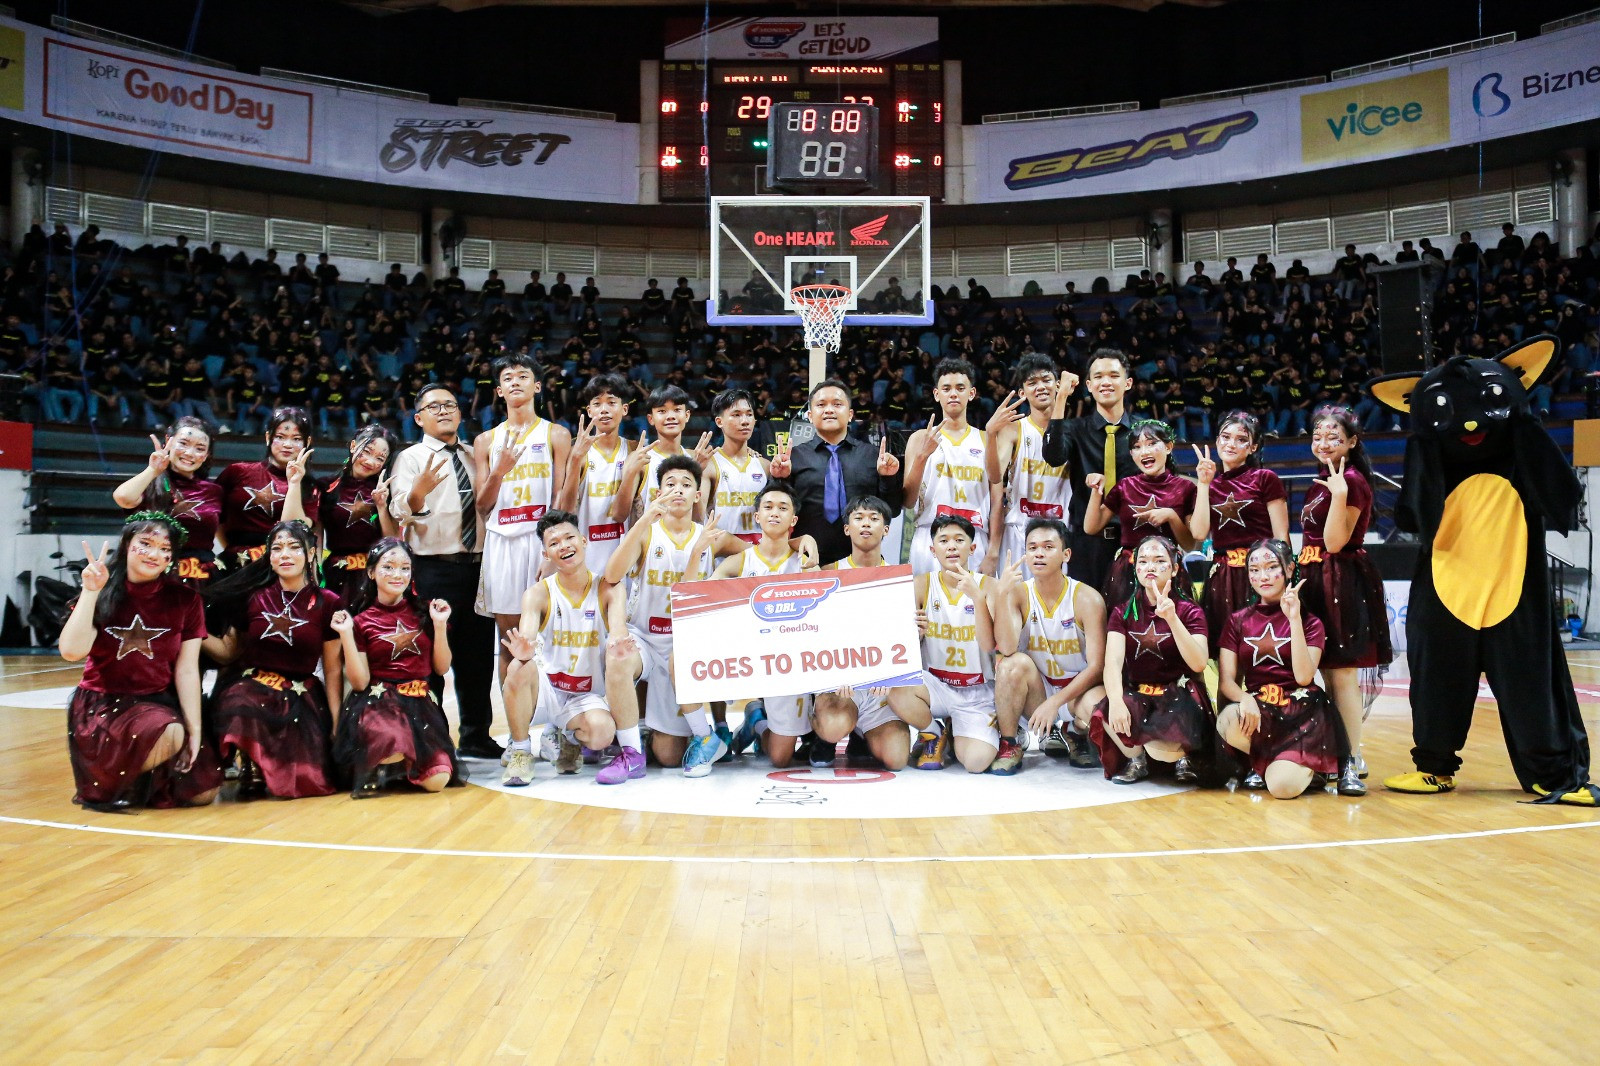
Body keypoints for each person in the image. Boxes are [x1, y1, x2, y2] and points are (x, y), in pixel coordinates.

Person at [57, 515, 224, 811]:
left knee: (203, 793)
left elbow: (187, 670)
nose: (155, 554)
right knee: (170, 732)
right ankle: (117, 784)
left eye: (164, 549)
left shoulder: (185, 599)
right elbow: (71, 651)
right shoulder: (103, 589)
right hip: (104, 706)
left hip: (159, 701)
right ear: (126, 546)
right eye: (145, 544)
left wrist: (195, 729)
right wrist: (91, 591)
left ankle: (138, 780)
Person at [602, 456, 748, 776]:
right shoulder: (646, 533)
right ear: (658, 493)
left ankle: (689, 736)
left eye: (686, 484)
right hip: (644, 636)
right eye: (670, 484)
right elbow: (612, 575)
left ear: (698, 495)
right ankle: (631, 751)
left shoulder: (713, 536)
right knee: (617, 660)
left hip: (684, 643)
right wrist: (642, 520)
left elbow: (761, 553)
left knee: (669, 757)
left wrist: (800, 540)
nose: (678, 490)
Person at [385, 383, 501, 760]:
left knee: (478, 656)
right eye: (433, 407)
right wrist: (418, 492)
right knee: (431, 657)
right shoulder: (411, 458)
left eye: (450, 404)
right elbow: (402, 510)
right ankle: (432, 738)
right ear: (418, 417)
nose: (444, 411)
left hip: (480, 566)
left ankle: (476, 735)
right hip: (433, 568)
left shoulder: (474, 454)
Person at [499, 510, 649, 787]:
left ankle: (566, 738)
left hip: (585, 694)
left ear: (584, 541)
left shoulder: (608, 588)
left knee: (603, 732)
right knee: (518, 668)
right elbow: (528, 641)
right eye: (554, 543)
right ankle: (521, 751)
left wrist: (618, 644)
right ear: (546, 555)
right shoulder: (538, 593)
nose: (564, 546)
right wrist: (523, 652)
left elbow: (618, 631)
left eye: (570, 538)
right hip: (548, 690)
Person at [203, 520, 342, 799]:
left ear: (311, 553)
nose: (285, 555)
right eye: (277, 549)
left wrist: (337, 723)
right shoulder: (251, 597)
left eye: (293, 548)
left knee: (309, 781)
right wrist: (193, 632)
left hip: (302, 694)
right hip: (253, 685)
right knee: (239, 700)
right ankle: (248, 766)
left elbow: (333, 668)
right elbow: (231, 651)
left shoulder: (329, 602)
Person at [1298, 406, 1391, 796]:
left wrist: (1338, 496)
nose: (1323, 443)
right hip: (1314, 576)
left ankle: (1353, 758)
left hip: (1338, 579)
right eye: (1318, 436)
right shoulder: (1327, 478)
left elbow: (1335, 542)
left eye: (1333, 437)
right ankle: (1341, 752)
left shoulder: (1350, 482)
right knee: (1325, 673)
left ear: (1352, 442)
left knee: (1342, 674)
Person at [329, 538, 465, 798]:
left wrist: (438, 625)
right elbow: (359, 683)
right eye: (388, 567)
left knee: (438, 781)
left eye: (405, 568)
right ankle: (382, 761)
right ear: (371, 572)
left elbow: (441, 667)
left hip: (419, 702)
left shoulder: (426, 612)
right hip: (379, 702)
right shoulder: (360, 620)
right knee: (393, 742)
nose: (397, 574)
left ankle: (399, 767)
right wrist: (346, 634)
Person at [474, 353, 572, 680]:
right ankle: (518, 729)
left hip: (540, 540)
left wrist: (552, 552)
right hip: (502, 542)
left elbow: (559, 500)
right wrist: (498, 473)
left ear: (537, 386)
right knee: (509, 640)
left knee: (552, 636)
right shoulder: (485, 441)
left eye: (522, 376)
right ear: (499, 390)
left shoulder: (556, 434)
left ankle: (552, 722)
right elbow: (482, 504)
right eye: (507, 378)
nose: (515, 382)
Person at [811, 496, 927, 770]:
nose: (866, 524)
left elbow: (905, 640)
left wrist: (917, 634)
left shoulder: (900, 579)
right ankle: (825, 735)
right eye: (859, 518)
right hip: (840, 684)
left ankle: (861, 734)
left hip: (881, 686)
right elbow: (815, 633)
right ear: (846, 528)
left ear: (886, 529)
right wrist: (834, 673)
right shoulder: (828, 573)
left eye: (874, 519)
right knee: (833, 725)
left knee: (897, 759)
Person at [1087, 536, 1213, 784]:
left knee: (1163, 751)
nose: (1151, 567)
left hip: (1178, 695)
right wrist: (1115, 700)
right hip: (1140, 696)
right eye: (1143, 562)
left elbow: (1199, 663)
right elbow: (1112, 663)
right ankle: (1137, 760)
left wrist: (1172, 619)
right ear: (1135, 569)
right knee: (1104, 708)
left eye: (1159, 561)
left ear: (1175, 568)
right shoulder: (1123, 611)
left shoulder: (1191, 611)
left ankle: (1181, 758)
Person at [1216, 540, 1337, 799]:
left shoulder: (1310, 622)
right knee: (1228, 719)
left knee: (1282, 789)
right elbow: (1226, 681)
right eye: (1255, 569)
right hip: (1262, 711)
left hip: (1301, 713)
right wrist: (1245, 697)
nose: (1263, 576)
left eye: (1272, 567)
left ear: (1290, 569)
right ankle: (1273, 762)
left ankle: (1299, 766)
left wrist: (1293, 618)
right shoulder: (1237, 621)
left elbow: (1304, 677)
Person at [990, 516, 1107, 773]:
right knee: (1011, 665)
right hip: (1038, 692)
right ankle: (1010, 742)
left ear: (1066, 554)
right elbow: (1007, 648)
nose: (1038, 554)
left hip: (1077, 692)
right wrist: (1001, 594)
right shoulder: (1019, 592)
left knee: (1100, 704)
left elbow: (1097, 667)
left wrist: (1055, 703)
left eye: (1047, 547)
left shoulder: (1088, 599)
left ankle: (1074, 732)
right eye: (1032, 548)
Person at [714, 482, 818, 769]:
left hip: (789, 664)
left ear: (793, 520)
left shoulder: (806, 562)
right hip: (749, 656)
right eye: (768, 507)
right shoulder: (737, 562)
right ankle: (720, 725)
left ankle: (756, 721)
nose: (775, 513)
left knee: (780, 759)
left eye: (783, 508)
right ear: (756, 517)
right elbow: (704, 598)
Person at [891, 514, 996, 772]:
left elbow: (990, 645)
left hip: (977, 690)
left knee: (975, 762)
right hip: (935, 685)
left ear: (972, 548)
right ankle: (933, 732)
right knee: (896, 687)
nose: (951, 546)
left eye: (959, 540)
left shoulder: (990, 586)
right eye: (944, 540)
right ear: (932, 549)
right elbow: (900, 650)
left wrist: (978, 600)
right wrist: (915, 636)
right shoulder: (920, 585)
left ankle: (960, 727)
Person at [768, 378, 905, 565]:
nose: (829, 410)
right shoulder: (793, 458)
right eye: (821, 405)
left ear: (850, 415)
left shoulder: (872, 456)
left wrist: (888, 478)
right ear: (809, 415)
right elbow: (775, 511)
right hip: (805, 561)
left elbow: (893, 510)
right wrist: (780, 480)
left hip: (860, 563)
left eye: (837, 404)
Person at [1042, 349, 1139, 595]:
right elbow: (1053, 456)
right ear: (1088, 385)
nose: (1105, 382)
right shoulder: (1076, 429)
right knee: (1086, 622)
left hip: (1134, 541)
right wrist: (1061, 396)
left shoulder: (1144, 433)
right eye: (1098, 377)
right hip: (1087, 543)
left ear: (1127, 383)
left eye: (1113, 375)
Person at [1192, 411, 1289, 642]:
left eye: (1241, 439)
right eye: (1225, 437)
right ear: (1216, 441)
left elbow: (1281, 536)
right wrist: (1204, 485)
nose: (1231, 444)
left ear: (1253, 447)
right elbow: (1198, 532)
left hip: (1260, 572)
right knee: (1225, 649)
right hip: (1223, 576)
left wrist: (1284, 578)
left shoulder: (1265, 478)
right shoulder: (1210, 486)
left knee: (1261, 644)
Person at [902, 359, 1003, 576]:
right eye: (946, 389)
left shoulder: (987, 440)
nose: (953, 394)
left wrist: (993, 552)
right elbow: (908, 501)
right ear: (937, 394)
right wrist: (921, 457)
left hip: (974, 540)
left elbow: (997, 501)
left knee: (977, 610)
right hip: (929, 537)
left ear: (972, 393)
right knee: (925, 609)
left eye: (960, 388)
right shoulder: (919, 439)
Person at [1082, 419, 1198, 605]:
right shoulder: (1125, 486)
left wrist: (1171, 516)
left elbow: (1190, 544)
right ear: (1131, 454)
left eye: (1152, 444)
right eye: (1137, 447)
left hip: (1166, 571)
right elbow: (1090, 527)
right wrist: (1096, 491)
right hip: (1128, 572)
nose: (1144, 451)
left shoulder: (1186, 488)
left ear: (1168, 447)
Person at [985, 356, 1076, 571]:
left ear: (1057, 385)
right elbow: (995, 476)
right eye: (1032, 383)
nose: (1041, 387)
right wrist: (990, 433)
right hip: (1019, 530)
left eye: (1046, 380)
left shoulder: (1073, 432)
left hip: (1060, 530)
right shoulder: (1013, 429)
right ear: (1022, 393)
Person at [291, 424, 399, 601]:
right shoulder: (326, 486)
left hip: (375, 574)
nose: (370, 461)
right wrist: (315, 572)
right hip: (336, 573)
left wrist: (381, 507)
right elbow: (316, 534)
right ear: (353, 446)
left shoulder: (387, 491)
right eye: (366, 451)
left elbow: (392, 541)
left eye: (380, 458)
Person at [112, 418, 222, 587]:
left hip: (202, 577)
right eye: (183, 443)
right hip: (153, 574)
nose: (190, 453)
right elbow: (123, 498)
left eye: (199, 448)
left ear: (206, 455)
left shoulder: (214, 491)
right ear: (168, 443)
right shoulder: (151, 481)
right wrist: (153, 470)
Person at [217, 407, 319, 568]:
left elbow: (295, 528)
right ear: (267, 438)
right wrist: (238, 551)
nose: (287, 445)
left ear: (307, 443)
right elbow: (216, 519)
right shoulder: (236, 472)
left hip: (281, 567)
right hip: (235, 565)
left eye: (296, 439)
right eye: (280, 437)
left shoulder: (310, 486)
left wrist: (294, 484)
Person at [556, 374, 637, 577]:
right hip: (587, 551)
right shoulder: (578, 452)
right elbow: (565, 510)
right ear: (589, 410)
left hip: (625, 551)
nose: (604, 409)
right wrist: (575, 461)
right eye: (597, 404)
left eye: (611, 402)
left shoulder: (635, 450)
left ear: (624, 409)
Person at [612, 384, 710, 525]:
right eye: (662, 411)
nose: (670, 416)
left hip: (684, 545)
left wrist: (697, 473)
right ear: (651, 419)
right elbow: (618, 516)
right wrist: (629, 475)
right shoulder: (640, 460)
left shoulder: (695, 458)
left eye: (677, 410)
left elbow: (699, 520)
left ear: (687, 415)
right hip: (648, 545)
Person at [700, 388, 771, 545]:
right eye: (736, 415)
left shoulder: (765, 466)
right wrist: (695, 473)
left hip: (758, 557)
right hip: (719, 557)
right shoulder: (709, 465)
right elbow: (697, 519)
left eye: (749, 414)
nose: (744, 421)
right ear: (719, 422)